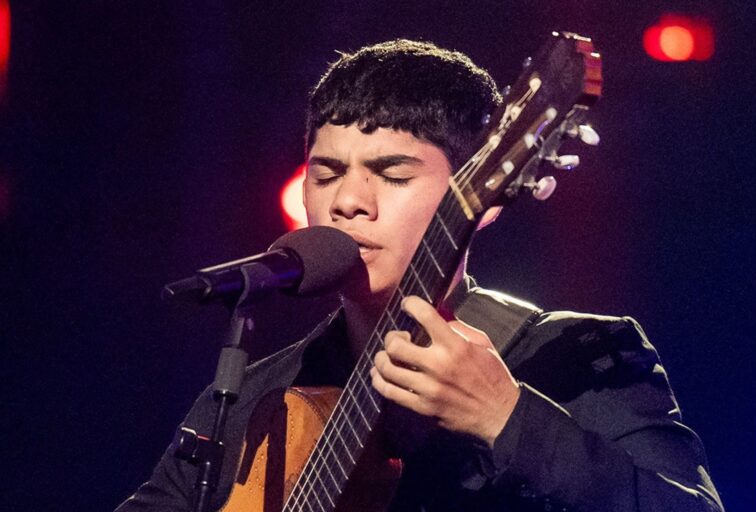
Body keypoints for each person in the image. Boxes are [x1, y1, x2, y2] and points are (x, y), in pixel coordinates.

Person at [116, 39, 724, 511]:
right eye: (326, 174)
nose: (349, 200)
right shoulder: (251, 395)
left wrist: (506, 417)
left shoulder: (579, 354)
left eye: (393, 174)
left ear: (479, 201)